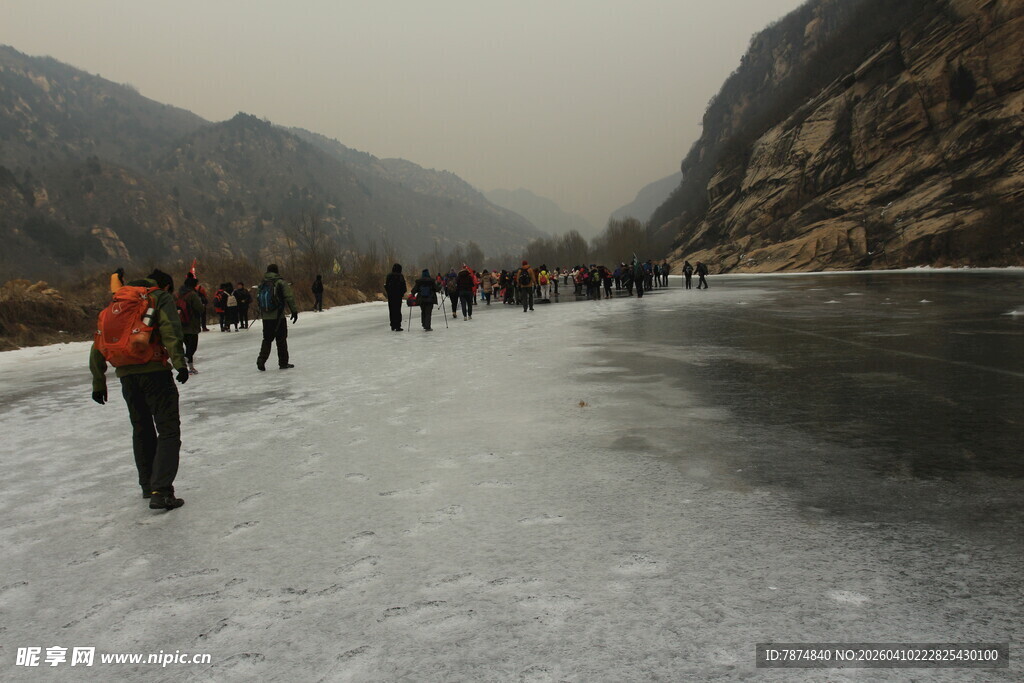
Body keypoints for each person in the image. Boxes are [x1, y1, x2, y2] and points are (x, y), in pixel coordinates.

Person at [90, 268, 189, 510]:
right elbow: (170, 330)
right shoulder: (159, 297)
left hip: (126, 375)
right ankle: (162, 491)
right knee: (168, 430)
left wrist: (98, 381)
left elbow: (99, 340)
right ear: (166, 287)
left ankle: (147, 485)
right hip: (154, 370)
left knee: (141, 427)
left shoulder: (120, 300)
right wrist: (179, 362)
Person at [256, 264, 299, 371]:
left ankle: (261, 360)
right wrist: (294, 311)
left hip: (266, 317)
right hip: (278, 316)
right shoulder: (280, 282)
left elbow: (258, 299)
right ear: (277, 271)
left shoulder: (262, 283)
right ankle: (283, 363)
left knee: (267, 339)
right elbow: (289, 297)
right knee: (281, 339)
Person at [176, 274, 205, 374]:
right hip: (192, 324)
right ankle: (186, 361)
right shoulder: (192, 294)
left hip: (181, 324)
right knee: (192, 347)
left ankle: (190, 367)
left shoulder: (178, 294)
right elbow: (200, 308)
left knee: (187, 346)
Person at [384, 264, 407, 331]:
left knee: (391, 310)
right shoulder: (400, 276)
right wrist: (401, 294)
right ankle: (398, 325)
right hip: (398, 296)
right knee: (397, 310)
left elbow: (386, 285)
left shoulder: (389, 276)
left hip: (391, 296)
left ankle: (393, 325)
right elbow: (404, 287)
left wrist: (389, 293)